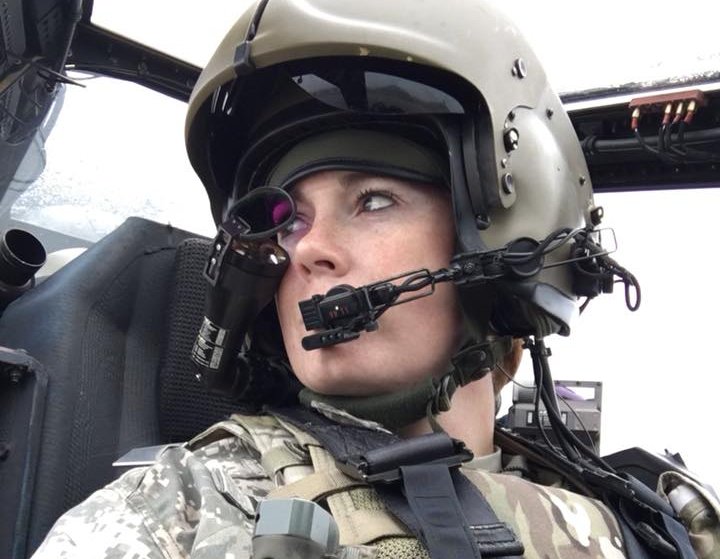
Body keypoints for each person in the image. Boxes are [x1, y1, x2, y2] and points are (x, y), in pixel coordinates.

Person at [32, 1, 719, 558]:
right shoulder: (181, 510)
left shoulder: (658, 519)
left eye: (373, 201)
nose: (310, 250)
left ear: (498, 244)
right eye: (289, 221)